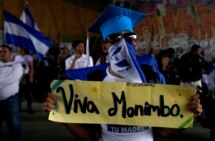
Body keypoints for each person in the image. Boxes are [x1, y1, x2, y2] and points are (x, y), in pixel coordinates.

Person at [43, 5, 202, 141]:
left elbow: (163, 130)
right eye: (115, 38)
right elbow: (91, 136)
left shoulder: (152, 77)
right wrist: (62, 116)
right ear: (105, 48)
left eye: (129, 36)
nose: (123, 43)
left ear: (136, 42)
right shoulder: (94, 81)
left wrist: (187, 116)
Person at [0, 45, 23, 141]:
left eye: (4, 51)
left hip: (11, 100)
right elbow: (7, 81)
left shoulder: (17, 66)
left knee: (14, 125)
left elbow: (12, 79)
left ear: (10, 54)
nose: (1, 53)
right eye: (0, 52)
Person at [14, 47, 34, 113]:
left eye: (21, 49)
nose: (19, 50)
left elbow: (31, 68)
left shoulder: (28, 57)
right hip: (18, 76)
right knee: (18, 93)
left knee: (27, 92)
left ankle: (29, 107)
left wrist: (31, 77)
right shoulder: (16, 57)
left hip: (26, 76)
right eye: (19, 49)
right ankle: (19, 107)